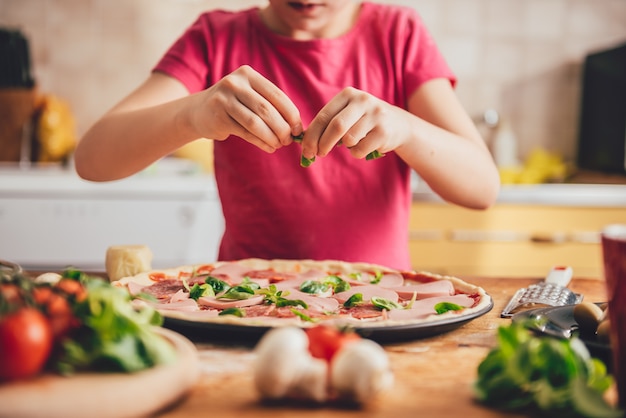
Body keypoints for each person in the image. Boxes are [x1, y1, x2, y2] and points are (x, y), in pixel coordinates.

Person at [74, 0, 500, 270]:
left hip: (380, 305)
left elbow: (482, 187)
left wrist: (406, 127)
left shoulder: (399, 35)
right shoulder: (215, 37)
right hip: (243, 304)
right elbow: (92, 159)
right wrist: (192, 114)